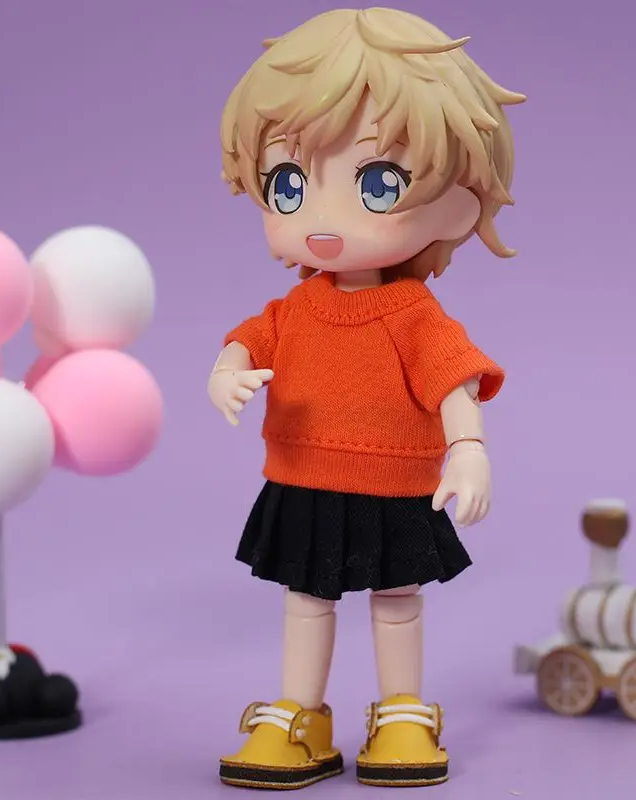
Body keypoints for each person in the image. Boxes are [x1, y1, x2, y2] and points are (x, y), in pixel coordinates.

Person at [207, 7, 524, 790]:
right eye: (288, 184)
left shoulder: (413, 314)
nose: (322, 222)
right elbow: (246, 341)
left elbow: (452, 379)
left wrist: (469, 449)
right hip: (303, 477)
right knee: (306, 596)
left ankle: (403, 710)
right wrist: (225, 373)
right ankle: (300, 713)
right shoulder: (295, 309)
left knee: (396, 597)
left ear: (458, 201)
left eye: (378, 183)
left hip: (393, 483)